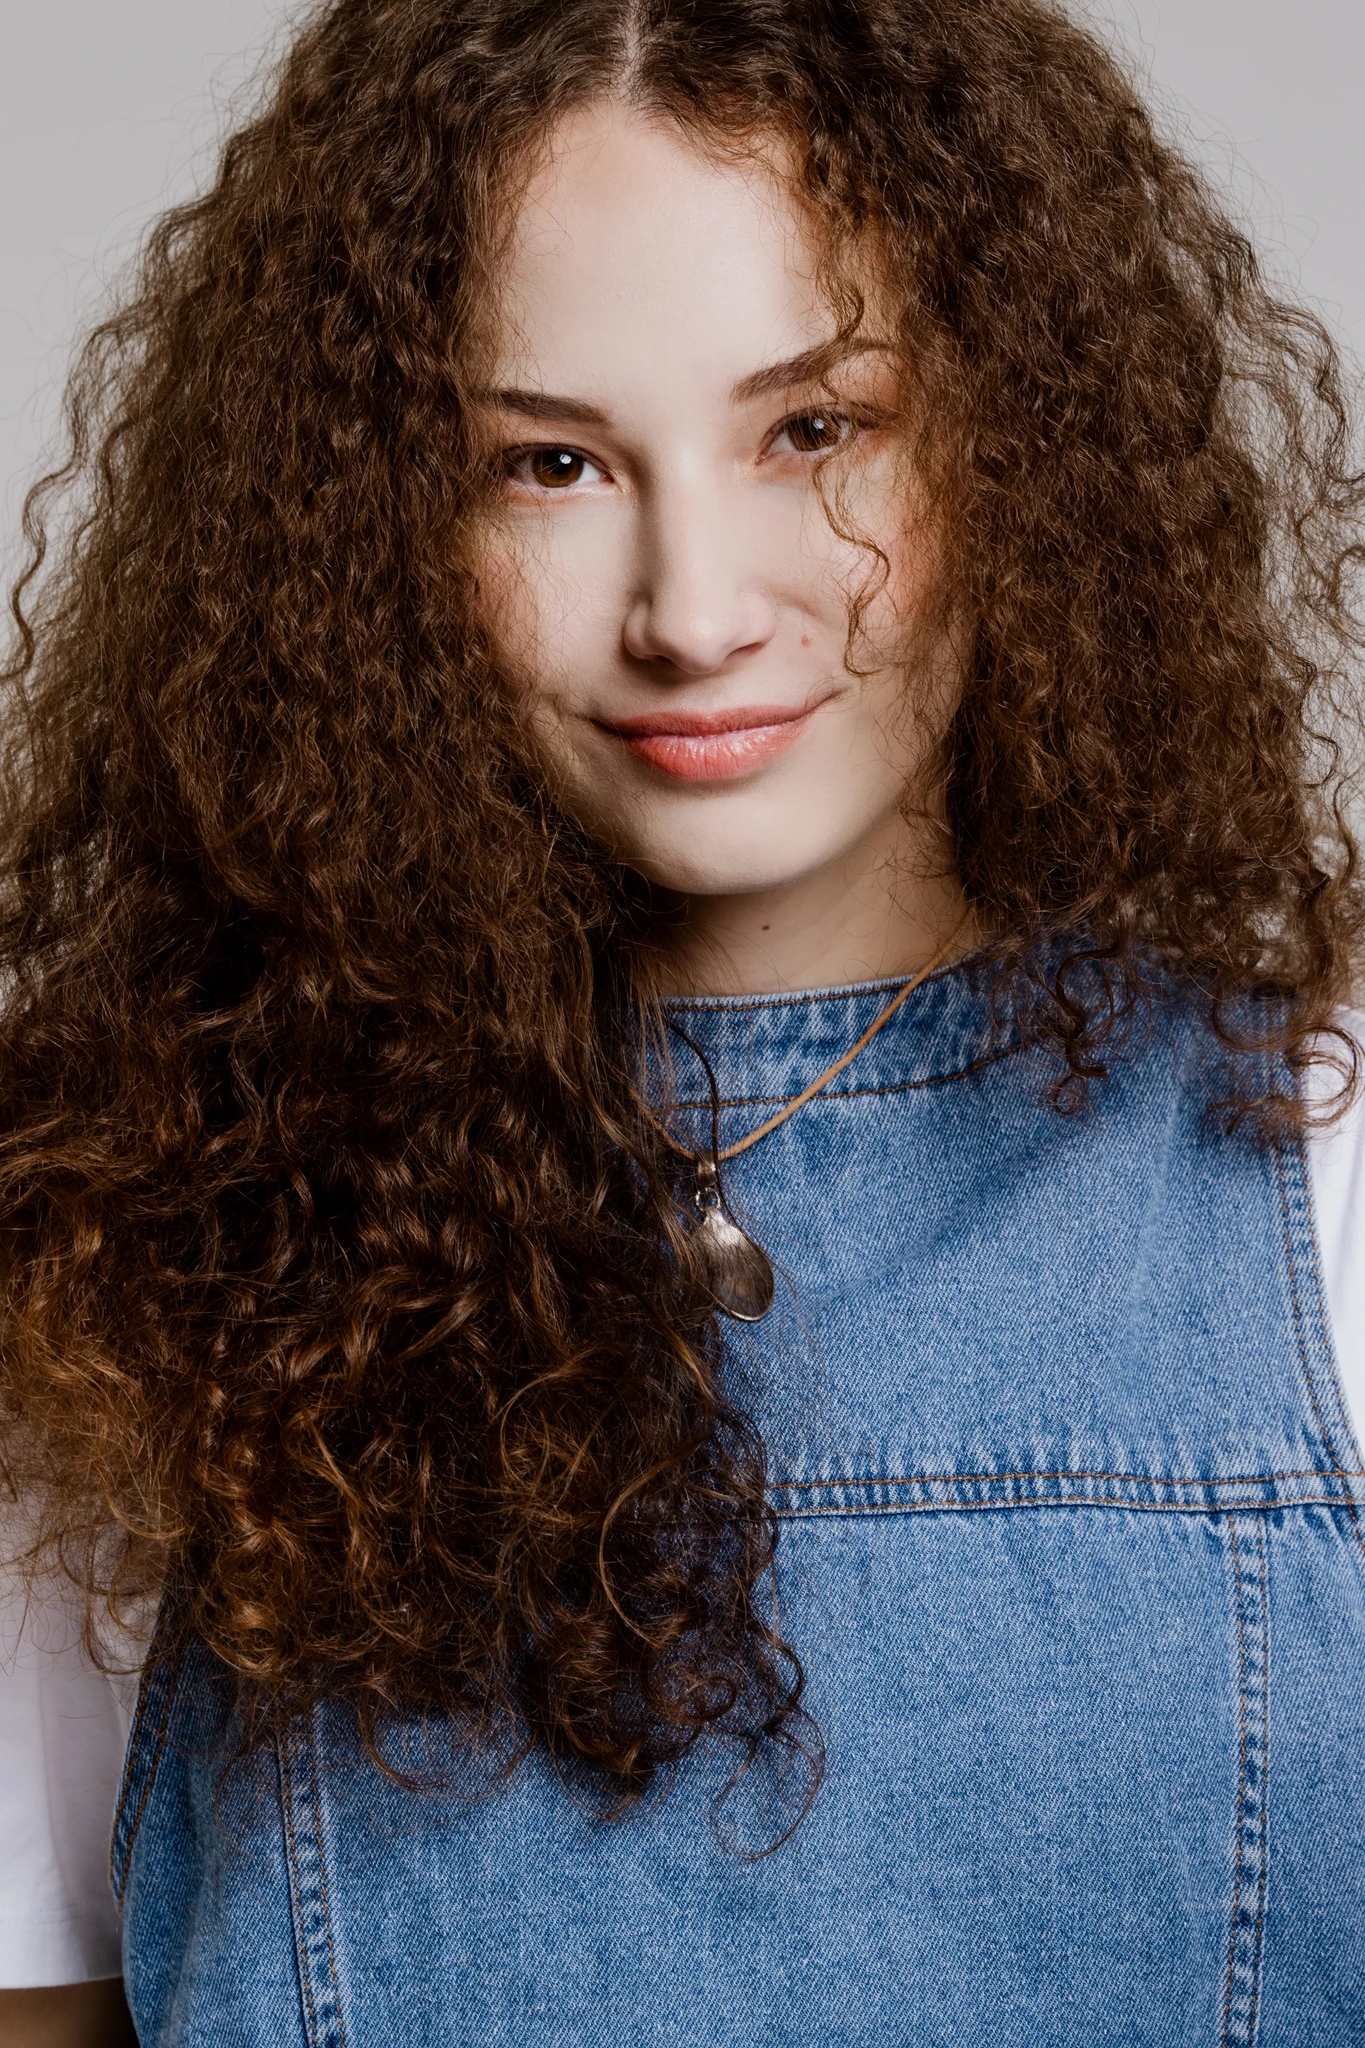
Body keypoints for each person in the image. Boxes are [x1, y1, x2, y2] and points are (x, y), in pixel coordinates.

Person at [2, 1, 1364, 2041]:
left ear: (1022, 438)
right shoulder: (135, 1258)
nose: (695, 608)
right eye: (548, 463)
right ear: (374, 531)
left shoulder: (1326, 1180)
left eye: (815, 430)